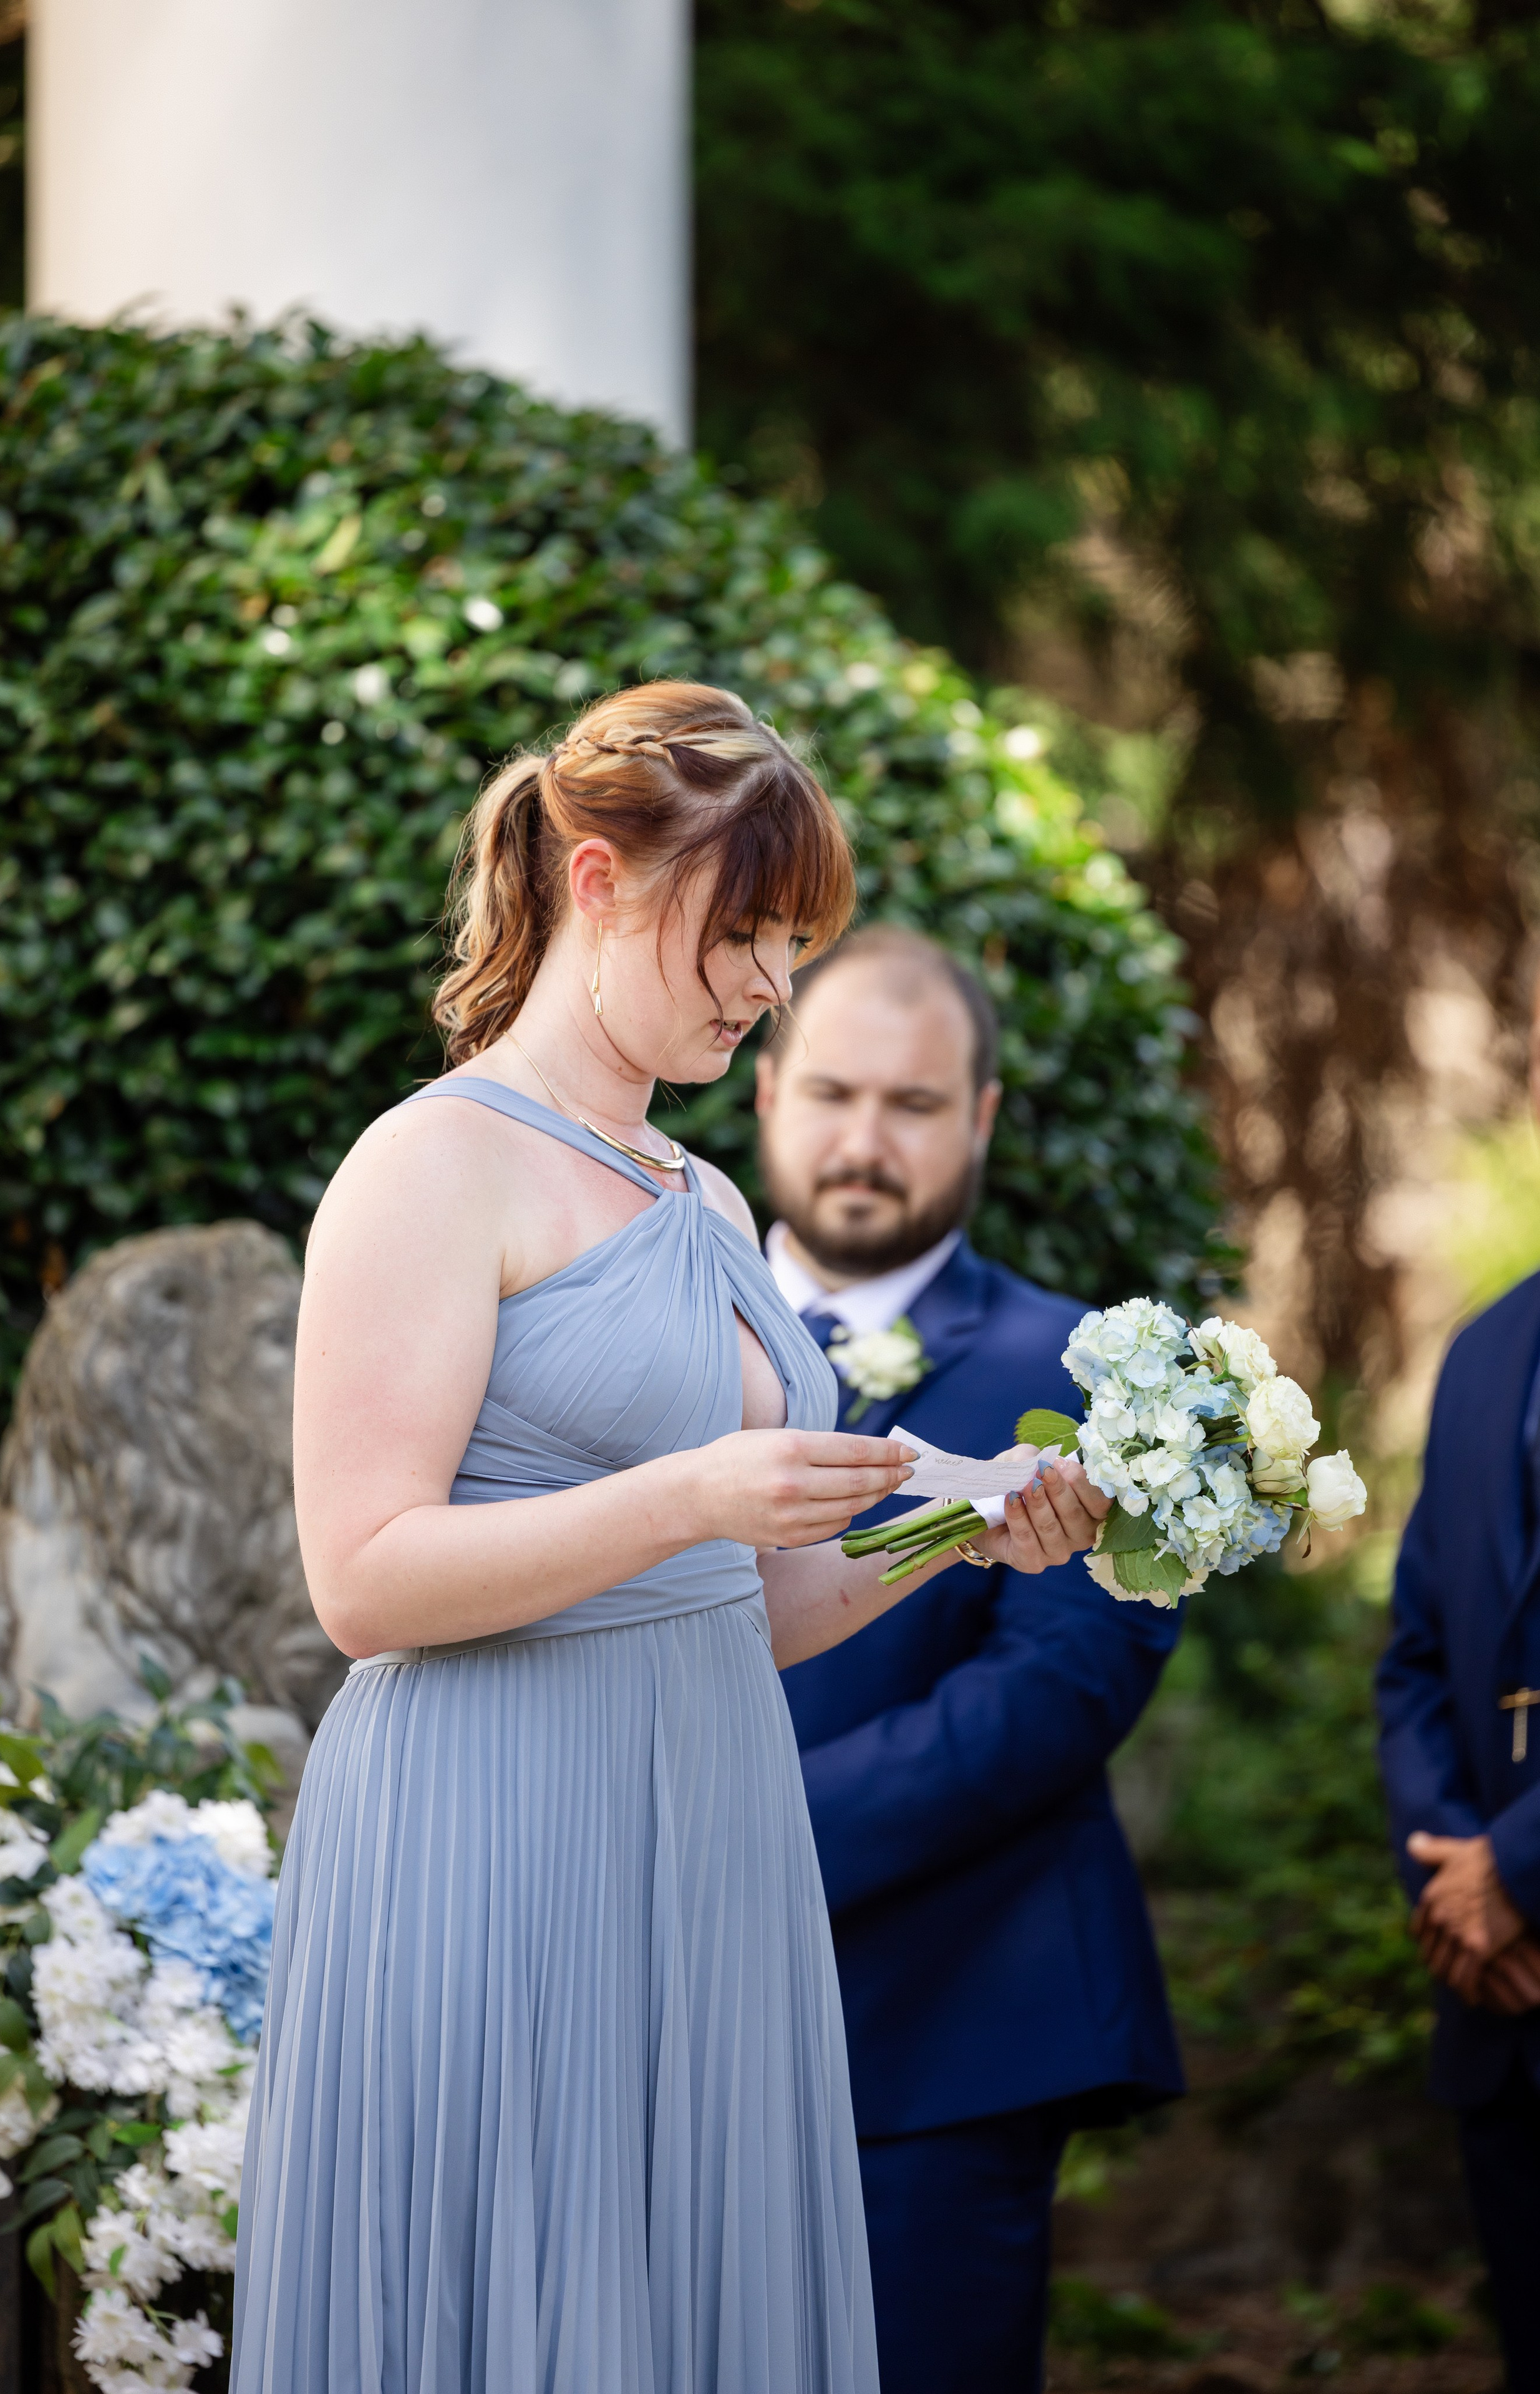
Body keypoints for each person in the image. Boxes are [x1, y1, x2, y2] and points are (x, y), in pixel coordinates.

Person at [232, 684, 1113, 2394]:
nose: (772, 984)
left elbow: (749, 1599)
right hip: (492, 1835)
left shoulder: (703, 1197)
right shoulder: (431, 1167)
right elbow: (360, 1577)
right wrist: (690, 1492)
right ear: (601, 880)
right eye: (749, 931)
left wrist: (963, 1521)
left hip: (705, 1833)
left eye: (793, 941)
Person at [755, 925, 1185, 2394]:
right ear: (763, 1088)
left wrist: (727, 1840)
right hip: (650, 2013)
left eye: (914, 1103)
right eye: (830, 1092)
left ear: (982, 1116)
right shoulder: (660, 1339)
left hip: (942, 2033)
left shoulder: (1092, 1379)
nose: (862, 1140)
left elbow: (1045, 1700)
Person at [1377, 974, 1540, 2394]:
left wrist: (1524, 1869)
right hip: (1497, 2011)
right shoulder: (1486, 1350)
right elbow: (1417, 1651)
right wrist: (1451, 1875)